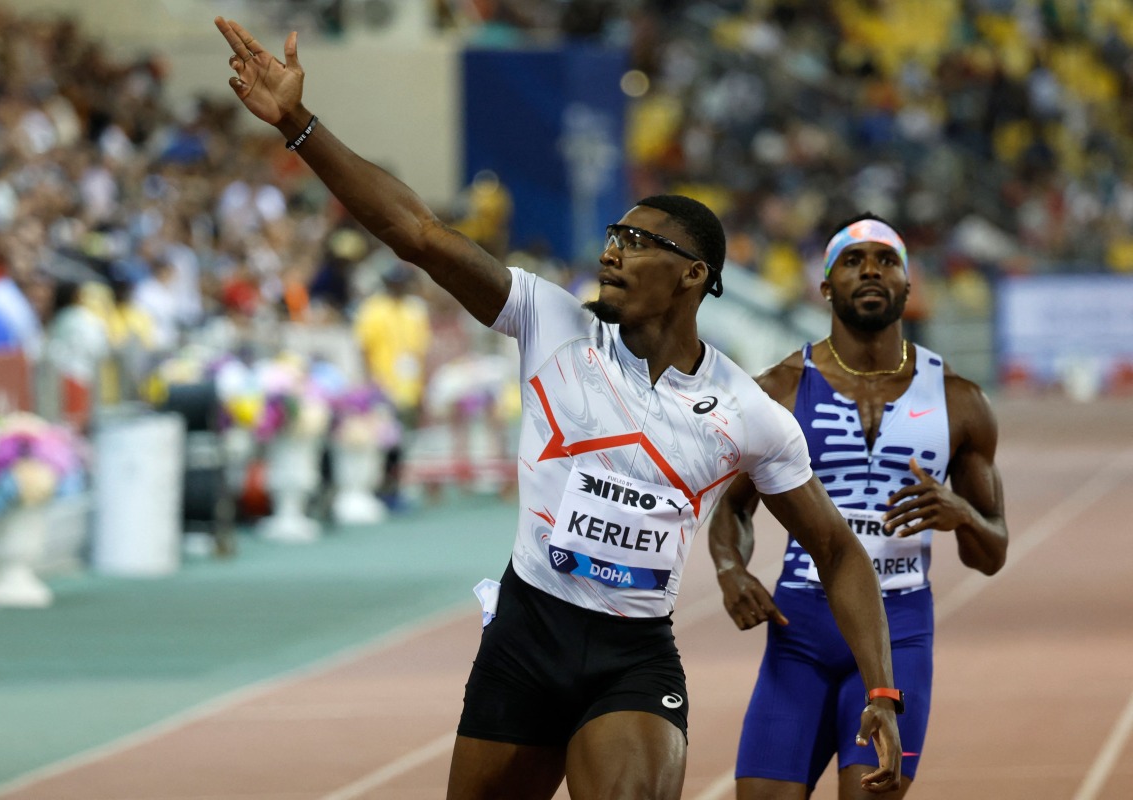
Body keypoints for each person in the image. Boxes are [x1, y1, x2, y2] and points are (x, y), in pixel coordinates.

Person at [214, 18, 902, 798]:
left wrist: (881, 691)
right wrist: (300, 127)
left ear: (691, 277)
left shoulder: (748, 412)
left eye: (638, 241)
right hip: (525, 639)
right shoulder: (547, 320)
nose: (611, 249)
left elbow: (839, 551)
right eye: (613, 234)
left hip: (632, 658)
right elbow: (419, 233)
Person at [708, 213, 1009, 799]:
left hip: (899, 633)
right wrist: (729, 569)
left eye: (886, 260)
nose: (870, 270)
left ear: (907, 285)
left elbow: (991, 555)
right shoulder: (779, 391)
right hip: (800, 630)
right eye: (853, 260)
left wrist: (962, 515)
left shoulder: (961, 402)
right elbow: (731, 509)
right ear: (825, 287)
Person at [353, 261, 431, 509]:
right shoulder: (372, 310)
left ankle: (395, 489)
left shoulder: (415, 310)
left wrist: (422, 387)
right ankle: (379, 490)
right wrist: (371, 384)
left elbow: (421, 352)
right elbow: (364, 349)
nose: (399, 286)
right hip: (383, 386)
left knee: (403, 443)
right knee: (382, 443)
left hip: (409, 386)